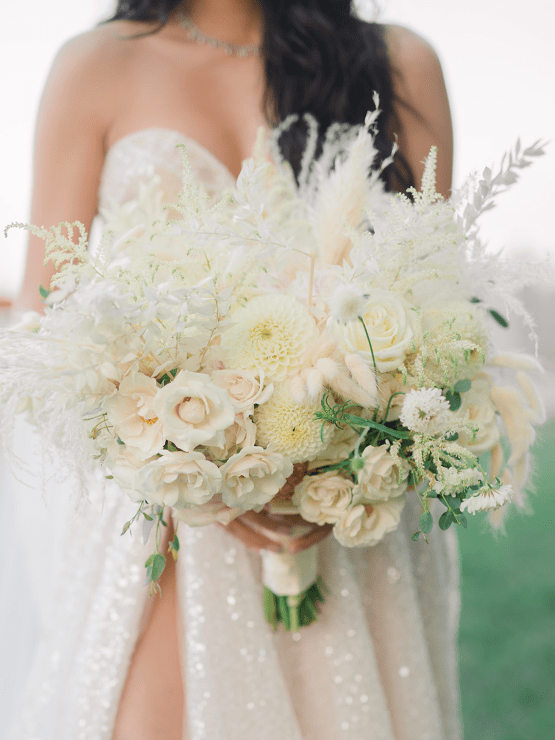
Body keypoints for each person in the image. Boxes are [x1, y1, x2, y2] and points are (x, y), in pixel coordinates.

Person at [5, 1, 458, 739]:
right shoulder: (99, 64)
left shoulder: (398, 62)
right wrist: (182, 454)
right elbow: (43, 320)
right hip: (165, 519)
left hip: (347, 515)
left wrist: (334, 461)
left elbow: (435, 301)